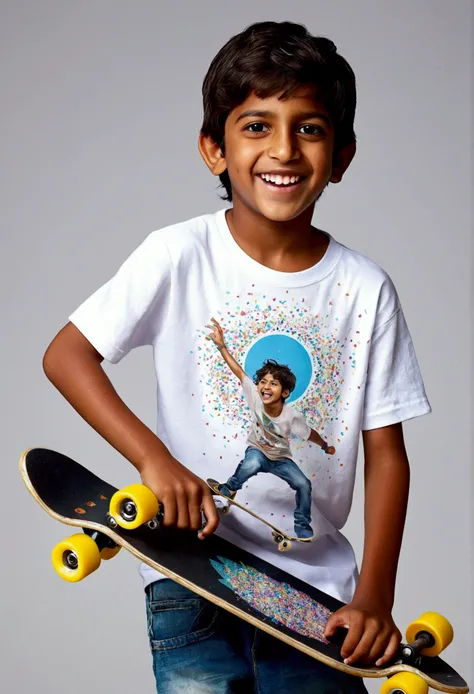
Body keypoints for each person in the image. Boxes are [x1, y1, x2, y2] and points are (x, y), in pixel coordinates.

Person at [42, 20, 431, 694]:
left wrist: (375, 596)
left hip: (316, 602)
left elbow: (386, 454)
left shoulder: (362, 290)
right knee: (254, 469)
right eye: (256, 125)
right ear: (213, 149)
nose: (283, 148)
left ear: (341, 156)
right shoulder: (179, 255)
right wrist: (154, 461)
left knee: (294, 483)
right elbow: (67, 356)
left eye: (309, 128)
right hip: (190, 578)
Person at [207, 317, 336, 539]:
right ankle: (230, 487)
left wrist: (324, 445)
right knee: (253, 462)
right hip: (257, 450)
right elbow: (237, 370)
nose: (266, 387)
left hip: (281, 459)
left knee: (303, 484)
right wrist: (221, 345)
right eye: (263, 382)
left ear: (285, 393)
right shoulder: (255, 396)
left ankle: (302, 524)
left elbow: (309, 434)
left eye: (273, 384)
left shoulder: (291, 416)